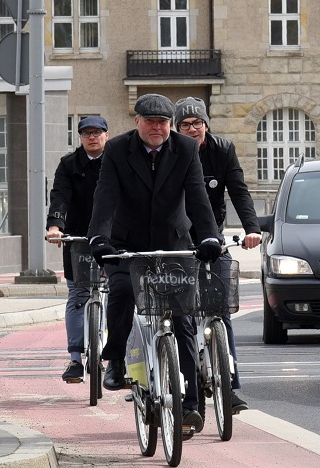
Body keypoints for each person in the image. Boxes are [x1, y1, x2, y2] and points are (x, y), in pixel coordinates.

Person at [88, 94, 222, 438]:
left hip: (174, 243)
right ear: (137, 122)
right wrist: (98, 240)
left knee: (184, 322)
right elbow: (105, 198)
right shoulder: (117, 150)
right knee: (120, 290)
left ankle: (191, 404)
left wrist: (208, 238)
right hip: (126, 243)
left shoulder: (186, 150)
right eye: (151, 121)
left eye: (164, 122)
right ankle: (116, 360)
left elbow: (197, 198)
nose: (158, 128)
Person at [173, 97, 262, 412]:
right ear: (177, 128)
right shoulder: (171, 153)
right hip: (179, 239)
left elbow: (238, 191)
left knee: (221, 310)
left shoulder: (222, 150)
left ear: (206, 125)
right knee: (178, 314)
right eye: (186, 124)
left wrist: (252, 228)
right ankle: (180, 382)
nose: (193, 129)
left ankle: (230, 386)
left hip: (213, 240)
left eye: (198, 123)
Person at [46, 115, 109, 383]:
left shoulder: (116, 161)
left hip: (111, 236)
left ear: (106, 134)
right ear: (80, 137)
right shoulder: (69, 164)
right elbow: (59, 194)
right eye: (86, 133)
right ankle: (74, 359)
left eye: (97, 132)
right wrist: (55, 227)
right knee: (77, 294)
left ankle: (118, 358)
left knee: (121, 293)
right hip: (78, 238)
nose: (92, 137)